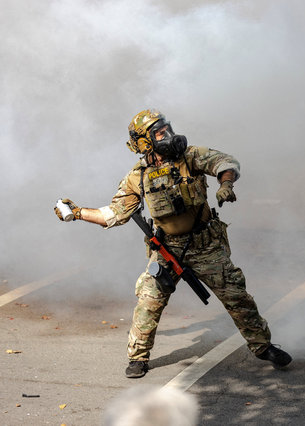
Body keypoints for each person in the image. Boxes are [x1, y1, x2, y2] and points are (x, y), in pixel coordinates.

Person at [55, 109, 292, 378]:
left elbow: (225, 162)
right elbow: (113, 214)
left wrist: (226, 185)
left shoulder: (189, 157)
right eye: (158, 132)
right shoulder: (138, 177)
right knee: (148, 301)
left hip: (205, 246)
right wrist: (77, 213)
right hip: (167, 250)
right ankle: (138, 357)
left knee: (236, 296)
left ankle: (262, 347)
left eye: (166, 128)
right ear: (144, 142)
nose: (167, 135)